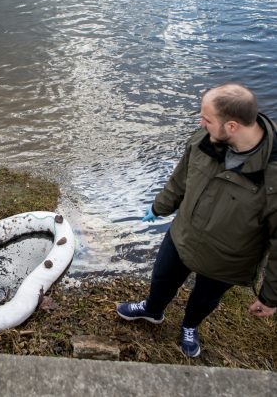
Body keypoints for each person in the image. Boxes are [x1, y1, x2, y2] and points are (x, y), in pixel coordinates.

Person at [117, 83, 277, 357]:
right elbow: (180, 179)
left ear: (233, 126)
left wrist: (271, 296)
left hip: (227, 258)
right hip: (183, 236)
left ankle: (190, 326)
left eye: (207, 119)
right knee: (163, 278)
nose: (200, 123)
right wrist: (160, 207)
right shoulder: (205, 138)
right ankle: (153, 309)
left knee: (205, 298)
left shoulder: (273, 173)